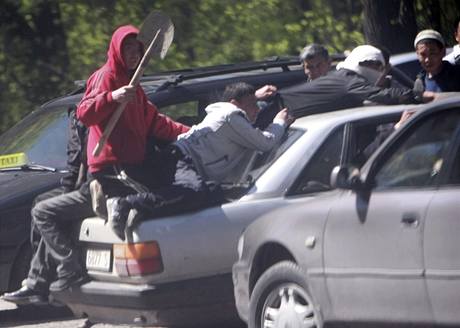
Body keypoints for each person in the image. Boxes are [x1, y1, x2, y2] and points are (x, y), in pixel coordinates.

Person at [1, 24, 189, 304]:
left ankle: (63, 273)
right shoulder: (105, 78)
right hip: (101, 176)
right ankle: (40, 281)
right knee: (41, 206)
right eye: (128, 47)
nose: (134, 53)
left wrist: (192, 131)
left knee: (44, 211)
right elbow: (85, 112)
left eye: (137, 48)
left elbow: (157, 123)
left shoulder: (136, 90)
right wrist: (112, 97)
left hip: (116, 179)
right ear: (116, 50)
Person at [107, 82, 295, 240]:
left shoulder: (223, 112)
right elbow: (265, 142)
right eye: (252, 104)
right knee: (195, 191)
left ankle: (136, 206)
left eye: (257, 103)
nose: (257, 109)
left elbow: (246, 111)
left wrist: (256, 96)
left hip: (175, 155)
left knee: (212, 192)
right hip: (183, 159)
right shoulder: (232, 115)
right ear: (235, 103)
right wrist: (279, 122)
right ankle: (127, 204)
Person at [279, 44, 437, 118]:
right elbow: (382, 95)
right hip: (276, 112)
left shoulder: (341, 78)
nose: (377, 72)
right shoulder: (349, 81)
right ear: (361, 63)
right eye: (375, 67)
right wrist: (418, 96)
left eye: (380, 68)